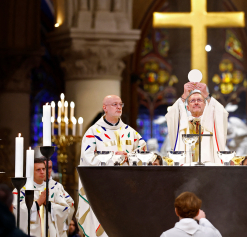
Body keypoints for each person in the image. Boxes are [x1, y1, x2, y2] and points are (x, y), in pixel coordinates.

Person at [77, 95, 147, 237]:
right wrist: (114, 157)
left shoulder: (131, 133)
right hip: (102, 191)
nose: (119, 107)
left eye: (120, 104)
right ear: (105, 108)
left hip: (127, 191)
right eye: (115, 104)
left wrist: (130, 157)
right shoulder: (93, 133)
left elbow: (144, 154)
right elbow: (88, 160)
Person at [166, 82, 228, 165]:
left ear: (206, 105)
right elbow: (171, 115)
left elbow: (221, 113)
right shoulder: (183, 124)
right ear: (187, 107)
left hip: (209, 168)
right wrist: (184, 96)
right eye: (192, 101)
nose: (196, 103)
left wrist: (206, 95)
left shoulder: (211, 123)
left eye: (199, 100)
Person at [12, 158, 71, 237]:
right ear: (31, 172)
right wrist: (37, 203)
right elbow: (15, 210)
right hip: (30, 233)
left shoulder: (54, 188)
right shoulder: (21, 189)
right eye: (38, 169)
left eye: (43, 169)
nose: (42, 172)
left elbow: (65, 209)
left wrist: (49, 205)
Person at [44, 159, 75, 232]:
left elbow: (70, 204)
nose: (48, 171)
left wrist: (50, 206)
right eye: (45, 168)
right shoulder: (28, 187)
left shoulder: (57, 186)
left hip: (55, 229)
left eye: (50, 167)